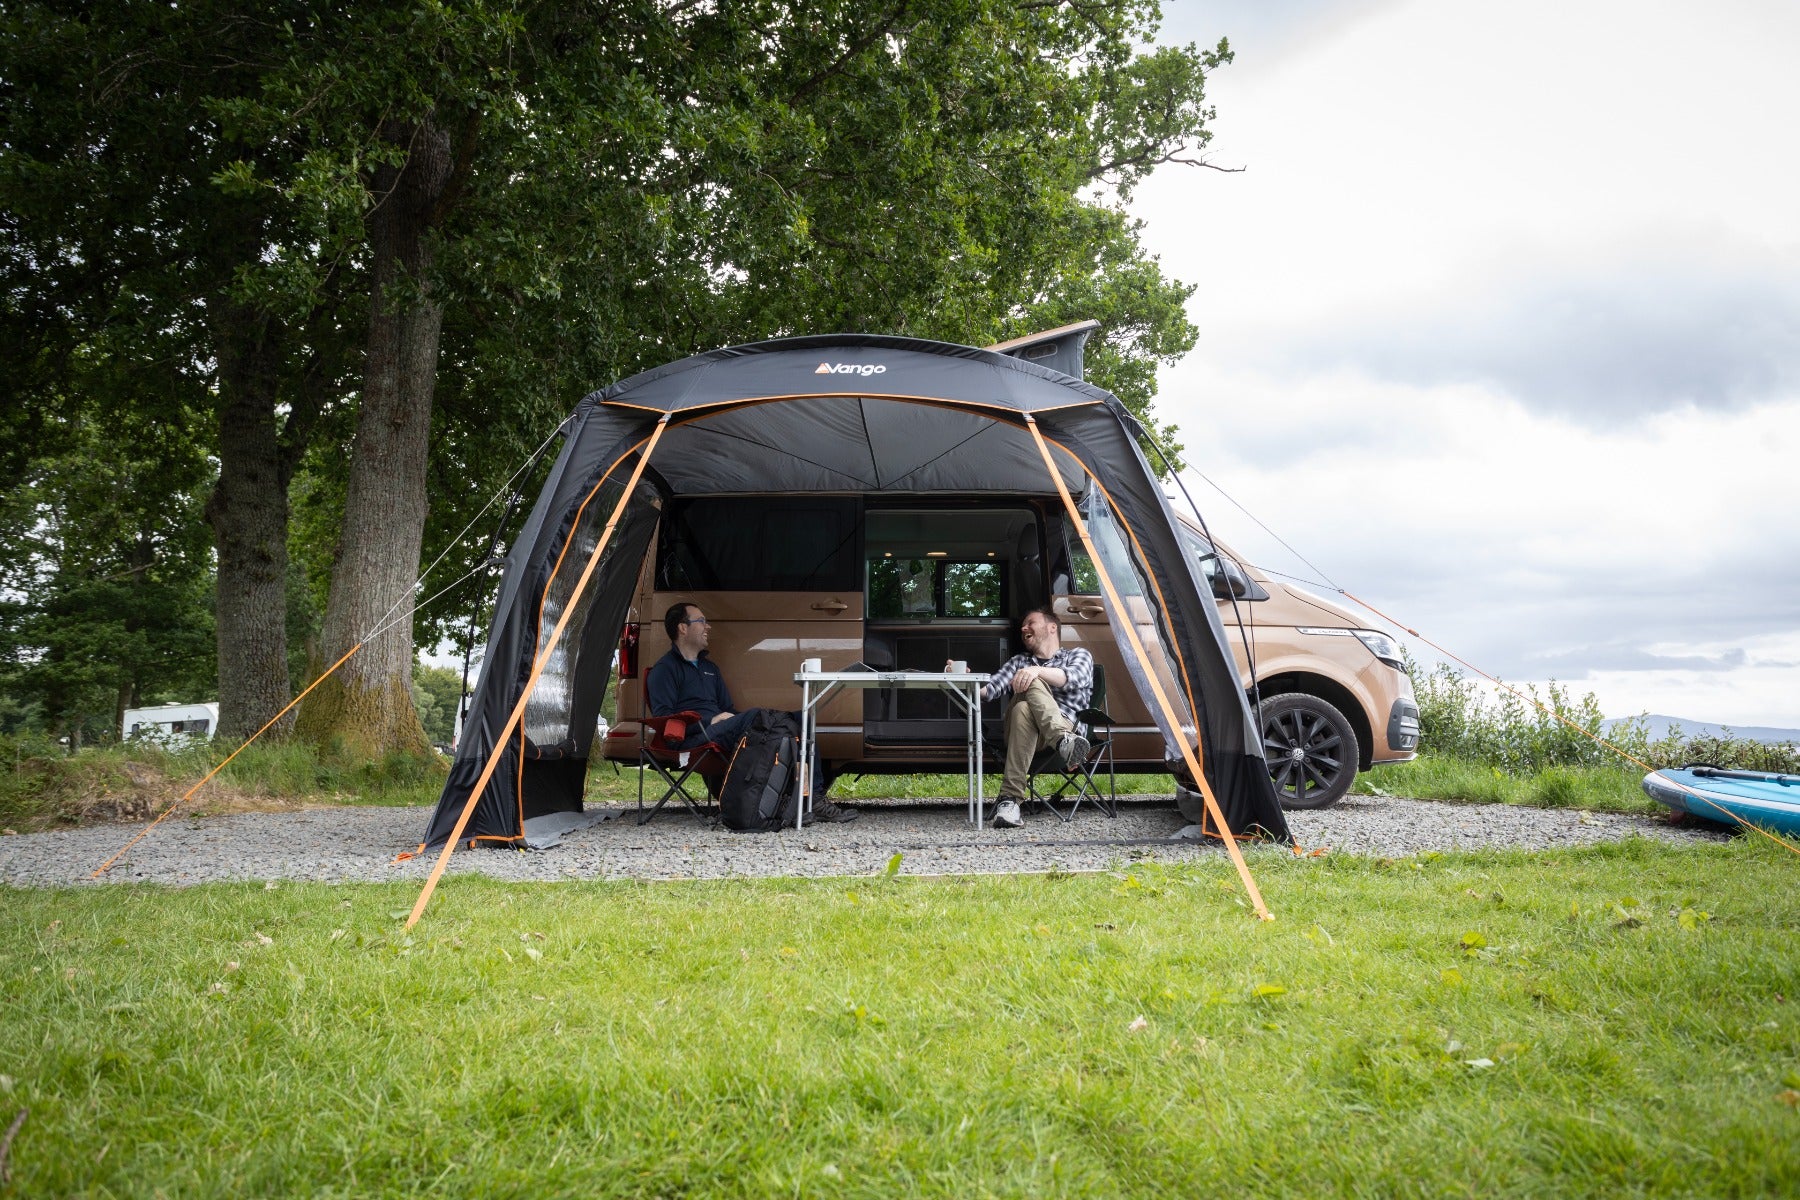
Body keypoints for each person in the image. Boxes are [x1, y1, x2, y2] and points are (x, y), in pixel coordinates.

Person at [649, 602, 857, 823]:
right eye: (701, 621)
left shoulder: (710, 668)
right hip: (694, 738)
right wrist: (711, 720)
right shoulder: (665, 669)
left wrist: (736, 719)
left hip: (721, 731)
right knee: (759, 718)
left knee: (801, 720)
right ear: (683, 628)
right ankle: (779, 804)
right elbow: (664, 720)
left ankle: (811, 798)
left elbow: (728, 710)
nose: (707, 626)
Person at [953, 606, 1092, 828]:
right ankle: (1063, 742)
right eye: (1023, 625)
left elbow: (1072, 678)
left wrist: (1036, 671)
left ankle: (1009, 801)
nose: (1023, 628)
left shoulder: (1078, 655)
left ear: (1052, 627)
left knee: (1022, 708)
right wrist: (963, 680)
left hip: (1066, 722)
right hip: (1042, 738)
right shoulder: (1020, 661)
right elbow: (989, 691)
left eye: (1030, 623)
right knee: (1026, 689)